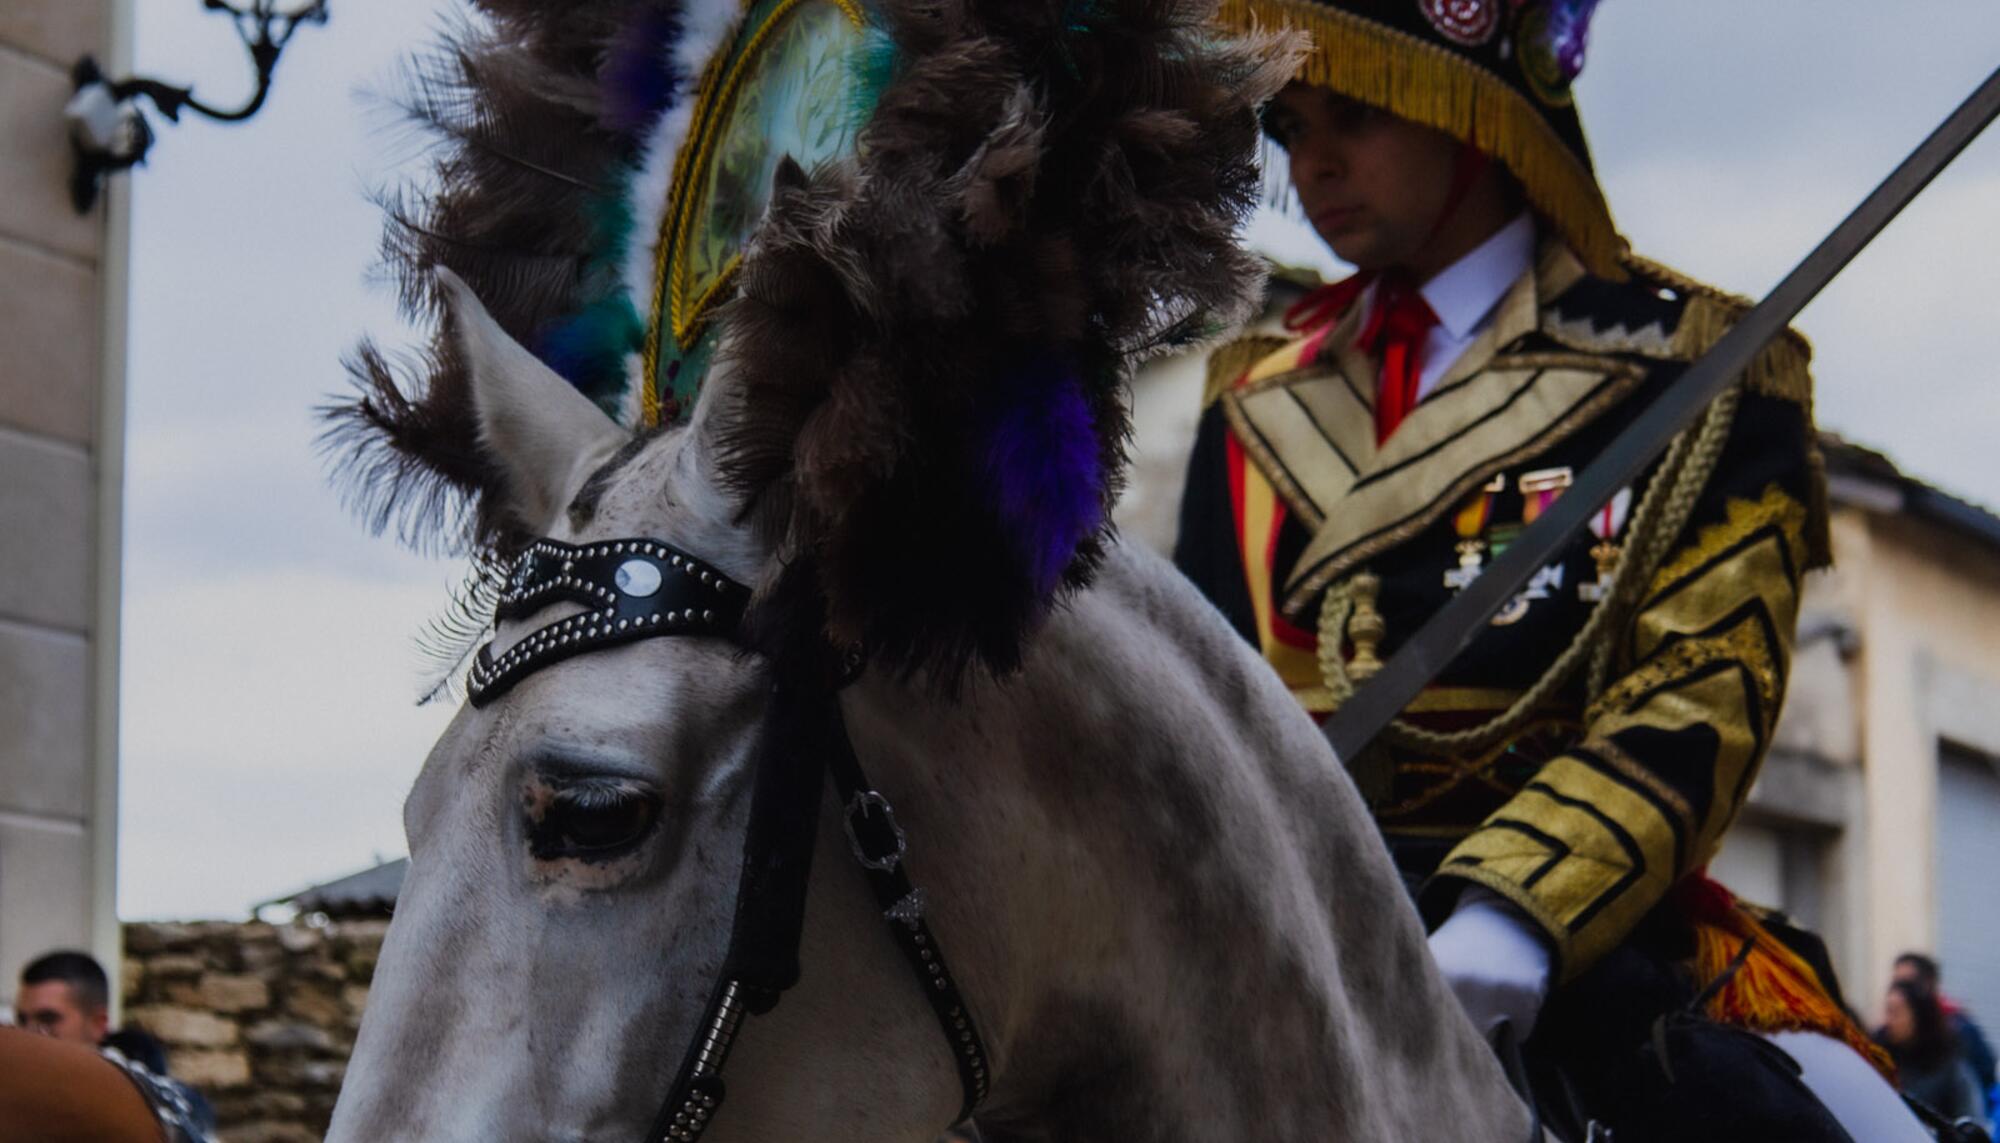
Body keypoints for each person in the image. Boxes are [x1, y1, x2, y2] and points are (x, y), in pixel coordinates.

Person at [1180, 1, 1913, 1139]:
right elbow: (1204, 697)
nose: (1311, 163)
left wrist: (1515, 915)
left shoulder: (1697, 369)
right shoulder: (1252, 397)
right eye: (1287, 126)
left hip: (1570, 937)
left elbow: (1697, 692)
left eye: (1356, 115)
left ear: (1474, 109)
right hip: (1276, 916)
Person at [15, 950, 218, 1142]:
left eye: (48, 1019)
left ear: (98, 1023)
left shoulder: (157, 1104)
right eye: (22, 1019)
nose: (30, 1032)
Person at [1897, 952, 2000, 1114]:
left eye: (1908, 984)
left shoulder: (1958, 1031)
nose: (1900, 991)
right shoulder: (1884, 1041)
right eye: (1897, 983)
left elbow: (1982, 1081)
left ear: (1928, 984)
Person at [1878, 979, 1987, 1125]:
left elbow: (1971, 1122)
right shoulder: (1878, 1056)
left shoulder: (1949, 1066)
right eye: (1888, 1011)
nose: (1889, 1021)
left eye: (1896, 1013)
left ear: (1918, 1016)